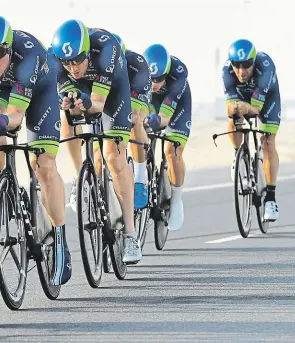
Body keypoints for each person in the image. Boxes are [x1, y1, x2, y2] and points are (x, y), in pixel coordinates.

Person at [0, 15, 71, 285]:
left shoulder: (28, 57)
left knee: (43, 166)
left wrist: (6, 121)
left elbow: (15, 115)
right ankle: (9, 186)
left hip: (38, 92)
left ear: (9, 48)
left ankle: (60, 237)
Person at [50, 20, 142, 264]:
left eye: (78, 60)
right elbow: (66, 99)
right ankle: (80, 174)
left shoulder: (106, 49)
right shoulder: (56, 60)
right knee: (66, 114)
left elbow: (98, 105)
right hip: (81, 90)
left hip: (112, 93)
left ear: (87, 51)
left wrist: (87, 103)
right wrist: (72, 103)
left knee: (114, 158)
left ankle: (131, 234)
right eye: (67, 62)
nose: (73, 67)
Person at [61, 31, 152, 212]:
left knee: (134, 122)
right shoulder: (94, 65)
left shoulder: (134, 64)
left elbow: (135, 113)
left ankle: (140, 177)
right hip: (101, 95)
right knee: (96, 148)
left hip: (131, 90)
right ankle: (90, 183)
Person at [222, 39, 280, 221]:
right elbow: (230, 107)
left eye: (247, 65)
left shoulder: (265, 67)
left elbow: (255, 110)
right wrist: (235, 109)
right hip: (242, 95)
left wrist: (246, 108)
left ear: (254, 62)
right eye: (237, 65)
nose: (241, 70)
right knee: (234, 115)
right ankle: (237, 155)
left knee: (267, 141)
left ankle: (271, 198)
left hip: (267, 98)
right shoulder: (226, 72)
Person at [143, 44, 192, 231]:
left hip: (176, 107)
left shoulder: (178, 74)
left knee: (172, 152)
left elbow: (165, 118)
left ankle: (177, 199)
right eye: (151, 79)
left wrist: (156, 121)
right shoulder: (137, 71)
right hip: (150, 103)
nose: (155, 83)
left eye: (160, 79)